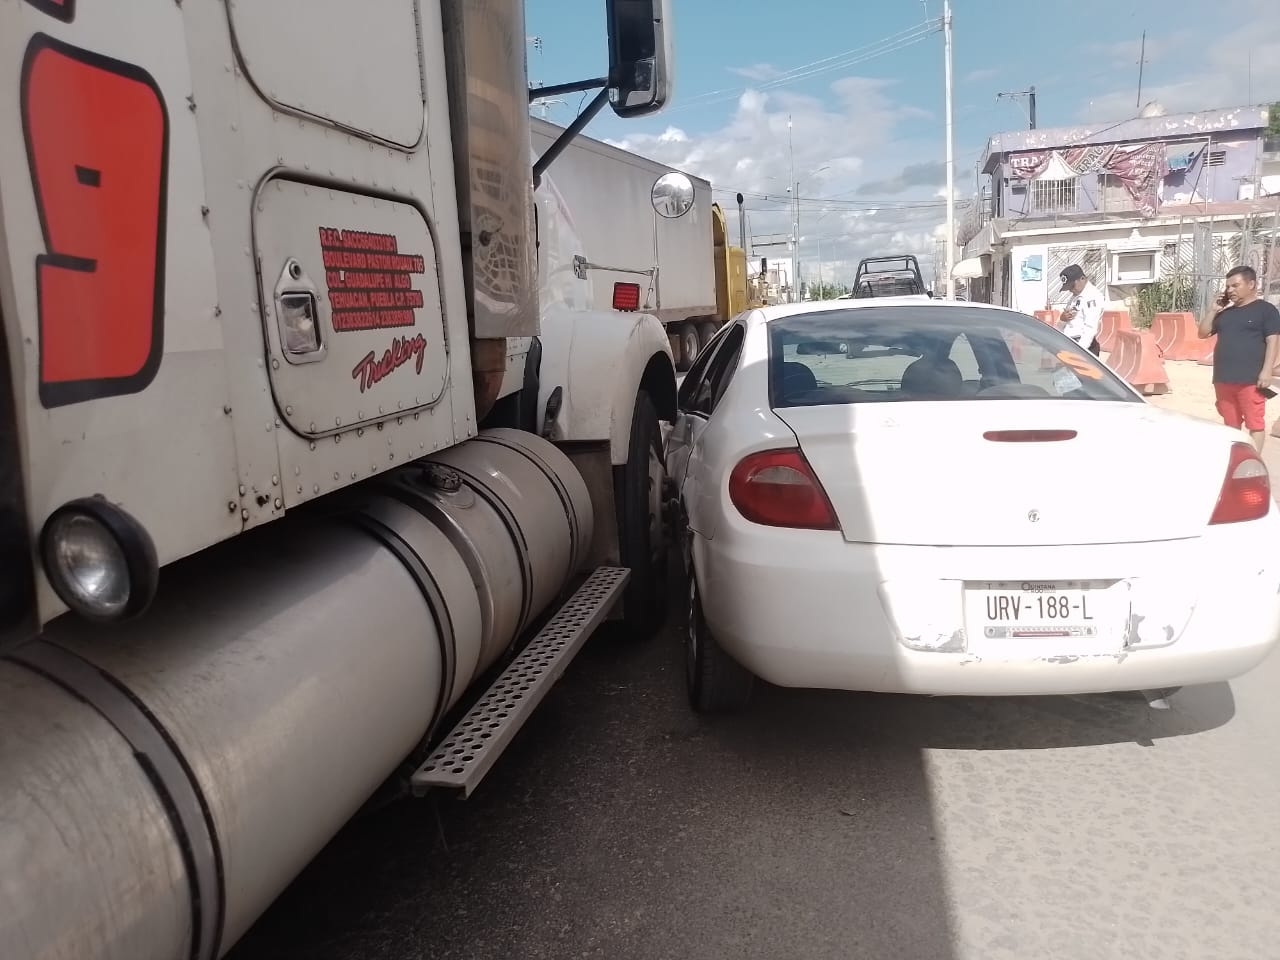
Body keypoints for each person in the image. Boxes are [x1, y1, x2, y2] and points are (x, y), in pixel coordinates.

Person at [1198, 264, 1280, 451]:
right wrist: (1213, 310)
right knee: (1230, 424)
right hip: (1224, 378)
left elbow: (1273, 341)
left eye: (1235, 285)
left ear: (1251, 284)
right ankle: (1234, 460)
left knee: (1255, 423)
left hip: (1251, 380)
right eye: (1228, 287)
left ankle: (1254, 461)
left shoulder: (1266, 310)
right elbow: (1202, 333)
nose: (1230, 290)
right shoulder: (1225, 314)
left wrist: (1267, 371)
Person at [1056, 264, 1103, 355]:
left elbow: (1090, 328)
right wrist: (1062, 319)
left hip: (1083, 348)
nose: (1070, 290)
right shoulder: (1075, 297)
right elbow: (1063, 324)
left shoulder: (1092, 296)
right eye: (1068, 288)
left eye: (1072, 286)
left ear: (1082, 279)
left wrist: (1079, 353)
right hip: (1070, 344)